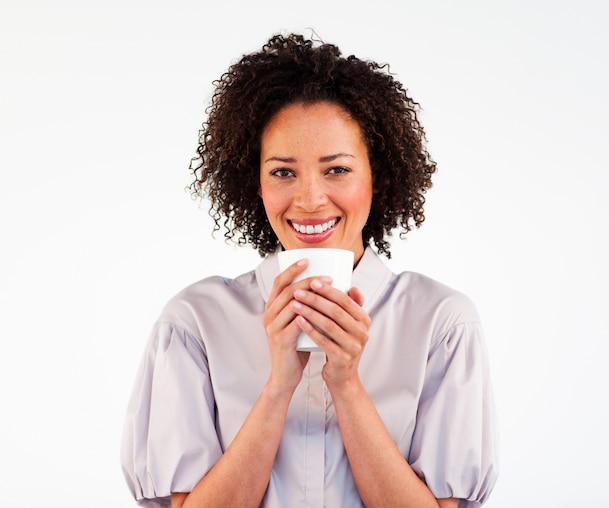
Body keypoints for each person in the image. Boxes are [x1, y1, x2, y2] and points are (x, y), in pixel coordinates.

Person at [121, 33, 499, 508]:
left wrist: (345, 383)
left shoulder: (442, 324)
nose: (309, 199)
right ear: (254, 182)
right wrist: (280, 384)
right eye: (283, 172)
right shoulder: (194, 323)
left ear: (376, 176)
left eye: (337, 170)